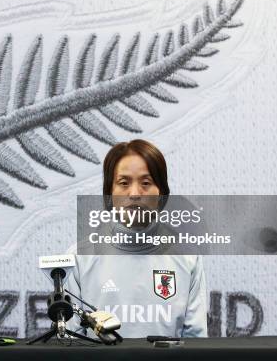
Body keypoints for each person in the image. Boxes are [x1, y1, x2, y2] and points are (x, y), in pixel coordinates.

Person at [67, 139, 207, 338]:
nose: (134, 193)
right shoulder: (79, 258)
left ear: (162, 194)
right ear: (109, 194)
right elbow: (70, 342)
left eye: (146, 183)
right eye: (123, 183)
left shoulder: (188, 257)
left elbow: (196, 343)